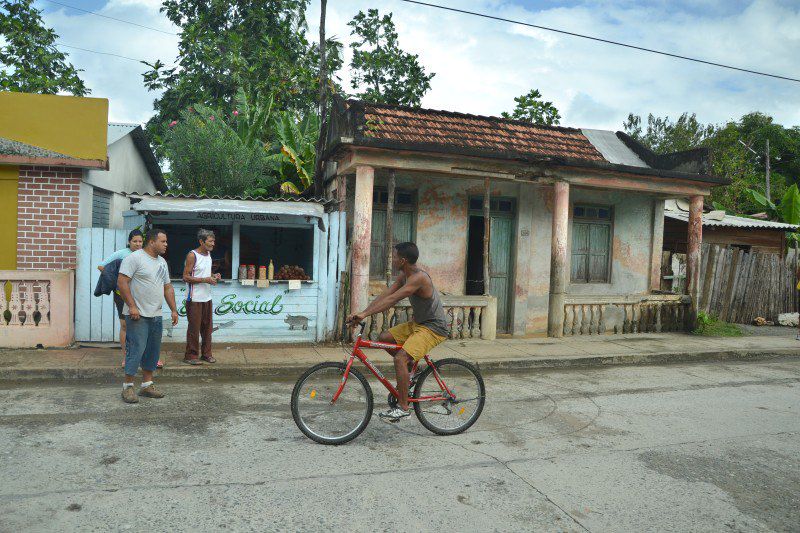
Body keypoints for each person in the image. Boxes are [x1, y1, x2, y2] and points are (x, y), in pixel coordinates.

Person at [346, 242, 449, 422]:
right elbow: (386, 295)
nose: (391, 260)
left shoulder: (419, 278)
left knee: (400, 357)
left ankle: (403, 407)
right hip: (417, 323)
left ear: (402, 260)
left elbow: (393, 299)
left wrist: (364, 315)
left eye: (394, 257)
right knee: (385, 337)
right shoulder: (404, 275)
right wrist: (362, 313)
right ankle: (408, 372)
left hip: (433, 327)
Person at [117, 229, 179, 404]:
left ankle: (146, 385)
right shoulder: (134, 258)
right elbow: (122, 282)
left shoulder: (162, 262)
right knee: (135, 350)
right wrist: (132, 306)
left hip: (156, 314)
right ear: (152, 242)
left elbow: (167, 287)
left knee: (152, 351)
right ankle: (128, 387)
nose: (166, 244)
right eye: (163, 241)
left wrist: (174, 310)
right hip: (137, 314)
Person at [97, 230, 166, 368]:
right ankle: (126, 357)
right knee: (125, 326)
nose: (138, 244)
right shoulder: (122, 254)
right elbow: (101, 266)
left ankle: (150, 358)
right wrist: (117, 280)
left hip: (141, 296)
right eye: (135, 241)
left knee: (147, 325)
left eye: (140, 241)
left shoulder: (148, 255)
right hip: (122, 294)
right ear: (129, 242)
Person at [182, 229, 220, 364]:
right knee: (194, 328)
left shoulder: (208, 254)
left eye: (213, 241)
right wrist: (205, 280)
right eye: (210, 241)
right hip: (194, 298)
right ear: (201, 241)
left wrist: (214, 277)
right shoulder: (192, 255)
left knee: (207, 328)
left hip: (207, 297)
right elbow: (185, 277)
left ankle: (206, 354)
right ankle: (190, 356)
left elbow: (206, 274)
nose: (213, 244)